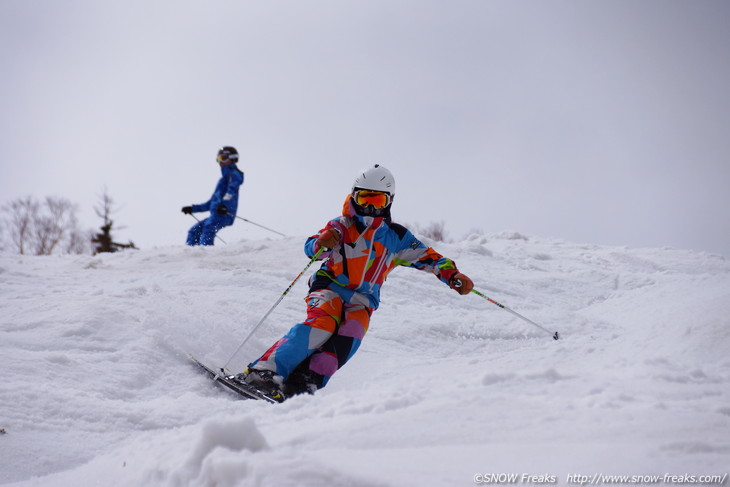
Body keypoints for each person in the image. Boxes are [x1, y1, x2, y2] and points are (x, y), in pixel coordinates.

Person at [237, 164, 474, 402]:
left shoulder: (397, 237)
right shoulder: (341, 225)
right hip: (330, 286)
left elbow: (430, 258)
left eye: (378, 200)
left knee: (349, 338)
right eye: (364, 198)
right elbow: (312, 248)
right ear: (354, 196)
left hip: (363, 300)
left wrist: (452, 275)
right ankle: (263, 373)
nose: (370, 206)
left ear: (389, 201)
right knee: (323, 323)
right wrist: (322, 243)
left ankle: (301, 384)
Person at [182, 146, 244, 246]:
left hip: (225, 213)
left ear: (232, 158)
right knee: (194, 231)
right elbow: (211, 203)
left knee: (208, 228)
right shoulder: (222, 181)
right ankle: (191, 254)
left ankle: (207, 253)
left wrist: (224, 205)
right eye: (218, 159)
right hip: (216, 214)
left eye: (223, 158)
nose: (220, 162)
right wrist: (193, 209)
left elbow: (231, 191)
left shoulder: (234, 174)